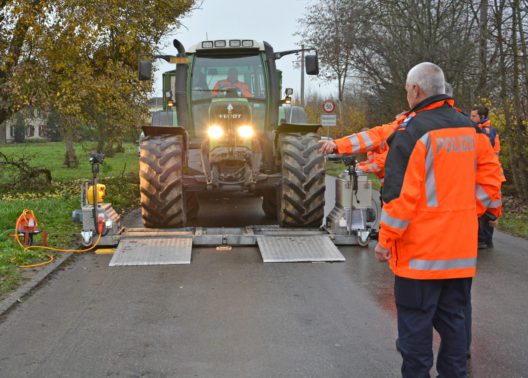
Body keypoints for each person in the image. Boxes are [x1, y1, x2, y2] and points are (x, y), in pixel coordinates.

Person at [373, 62, 502, 377]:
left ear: (416, 90)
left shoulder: (411, 132)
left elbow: (399, 198)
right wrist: (464, 214)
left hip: (420, 258)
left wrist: (385, 240)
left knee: (415, 330)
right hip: (459, 255)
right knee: (454, 323)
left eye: (407, 90)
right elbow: (492, 184)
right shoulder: (471, 130)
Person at [470, 106, 502, 249]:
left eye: (473, 116)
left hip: (490, 173)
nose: (471, 119)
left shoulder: (485, 131)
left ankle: (483, 239)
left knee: (486, 206)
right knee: (488, 206)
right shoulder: (484, 130)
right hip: (491, 172)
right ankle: (485, 240)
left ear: (481, 116)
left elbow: (482, 153)